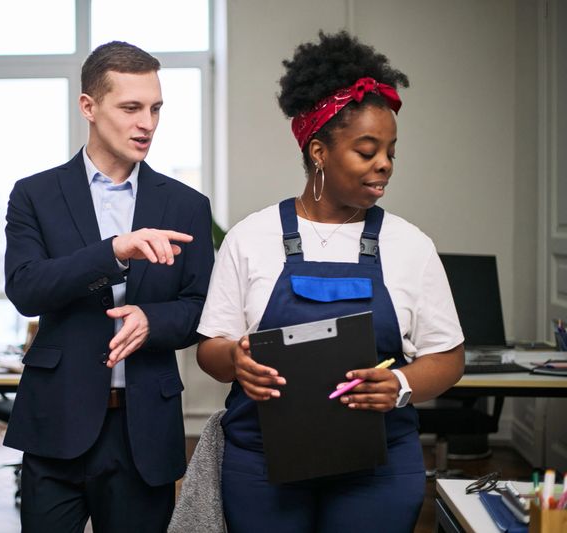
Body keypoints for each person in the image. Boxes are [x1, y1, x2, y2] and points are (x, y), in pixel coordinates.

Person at [196, 31, 465, 533]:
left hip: (379, 469)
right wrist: (235, 359)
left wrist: (402, 385)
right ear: (319, 151)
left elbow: (448, 358)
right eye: (367, 151)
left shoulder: (411, 246)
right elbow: (210, 349)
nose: (384, 163)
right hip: (263, 465)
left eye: (390, 150)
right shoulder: (252, 238)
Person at [3, 40, 214, 533]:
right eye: (131, 108)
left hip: (144, 429)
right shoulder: (35, 194)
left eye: (156, 108)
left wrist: (152, 319)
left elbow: (201, 307)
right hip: (55, 421)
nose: (148, 123)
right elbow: (26, 288)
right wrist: (114, 251)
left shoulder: (187, 205)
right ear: (89, 107)